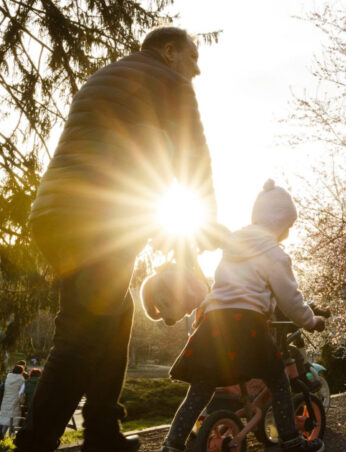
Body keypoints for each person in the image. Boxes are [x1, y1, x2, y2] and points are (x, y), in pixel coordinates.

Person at [17, 26, 221, 452]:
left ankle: (102, 431)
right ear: (169, 52)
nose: (197, 69)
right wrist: (207, 224)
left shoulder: (107, 76)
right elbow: (193, 155)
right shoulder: (170, 80)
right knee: (80, 332)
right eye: (192, 57)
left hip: (54, 215)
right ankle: (35, 443)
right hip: (98, 218)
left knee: (115, 314)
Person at [161, 180, 326, 452]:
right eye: (289, 225)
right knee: (278, 380)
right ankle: (292, 441)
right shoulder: (274, 255)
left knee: (200, 390)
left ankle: (171, 446)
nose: (288, 231)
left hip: (214, 323)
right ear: (279, 222)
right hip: (247, 326)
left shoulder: (233, 246)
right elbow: (291, 299)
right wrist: (310, 321)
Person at [0, 366, 26, 439]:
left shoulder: (8, 377)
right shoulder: (21, 379)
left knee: (5, 419)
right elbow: (21, 392)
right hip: (15, 400)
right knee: (12, 420)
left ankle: (2, 436)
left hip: (6, 400)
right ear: (22, 371)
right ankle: (10, 437)